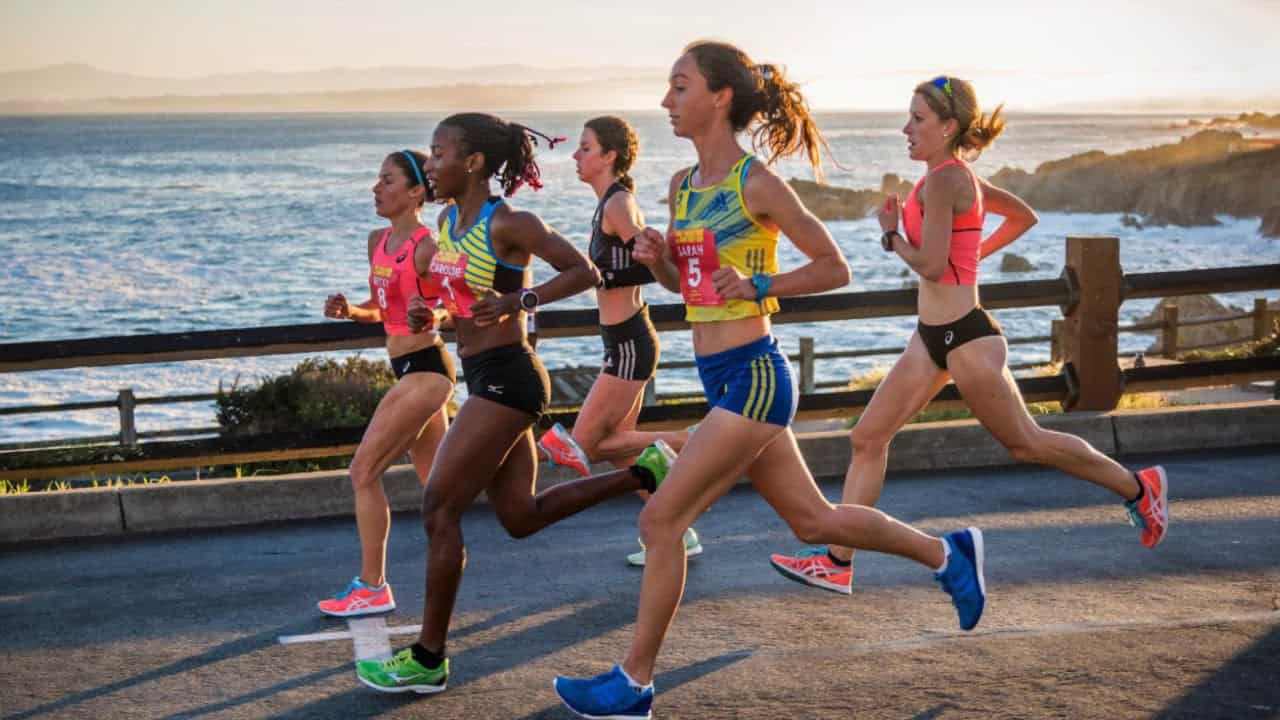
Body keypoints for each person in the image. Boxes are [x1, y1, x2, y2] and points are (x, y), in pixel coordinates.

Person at [553, 43, 988, 719]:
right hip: (722, 376)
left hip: (756, 375)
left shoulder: (755, 183)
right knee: (814, 520)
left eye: (679, 87)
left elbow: (835, 266)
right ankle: (947, 554)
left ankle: (634, 684)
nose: (667, 100)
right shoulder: (682, 186)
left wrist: (760, 284)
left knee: (660, 519)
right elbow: (688, 290)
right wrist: (659, 259)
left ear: (720, 97)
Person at [769, 75, 1169, 596]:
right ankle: (837, 561)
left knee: (1026, 443)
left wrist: (892, 236)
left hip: (966, 339)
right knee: (867, 438)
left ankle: (1140, 488)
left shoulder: (945, 182)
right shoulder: (953, 178)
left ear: (948, 126)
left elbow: (933, 266)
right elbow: (1022, 217)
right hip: (932, 338)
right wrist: (971, 255)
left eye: (917, 119)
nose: (905, 128)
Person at [354, 113, 678, 695]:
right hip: (483, 378)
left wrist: (518, 301)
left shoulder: (509, 221)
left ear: (473, 161)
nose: (431, 165)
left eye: (439, 153)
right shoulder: (449, 222)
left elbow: (584, 270)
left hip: (510, 378)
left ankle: (428, 658)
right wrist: (436, 313)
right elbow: (461, 298)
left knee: (439, 508)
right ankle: (644, 471)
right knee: (519, 517)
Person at [535, 115, 702, 566]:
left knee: (583, 446)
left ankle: (691, 439)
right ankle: (680, 534)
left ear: (609, 156)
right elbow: (632, 263)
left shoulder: (618, 204)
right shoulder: (608, 204)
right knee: (623, 447)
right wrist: (600, 275)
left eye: (585, 147)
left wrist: (599, 275)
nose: (576, 155)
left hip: (629, 343)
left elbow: (649, 259)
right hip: (624, 340)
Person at [317, 149, 454, 617]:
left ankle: (372, 586)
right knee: (438, 487)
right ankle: (455, 562)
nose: (377, 188)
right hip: (407, 368)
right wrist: (351, 311)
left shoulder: (427, 247)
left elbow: (456, 303)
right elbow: (383, 309)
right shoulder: (377, 241)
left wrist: (434, 314)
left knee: (363, 471)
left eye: (388, 180)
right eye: (378, 179)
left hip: (427, 370)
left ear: (416, 192)